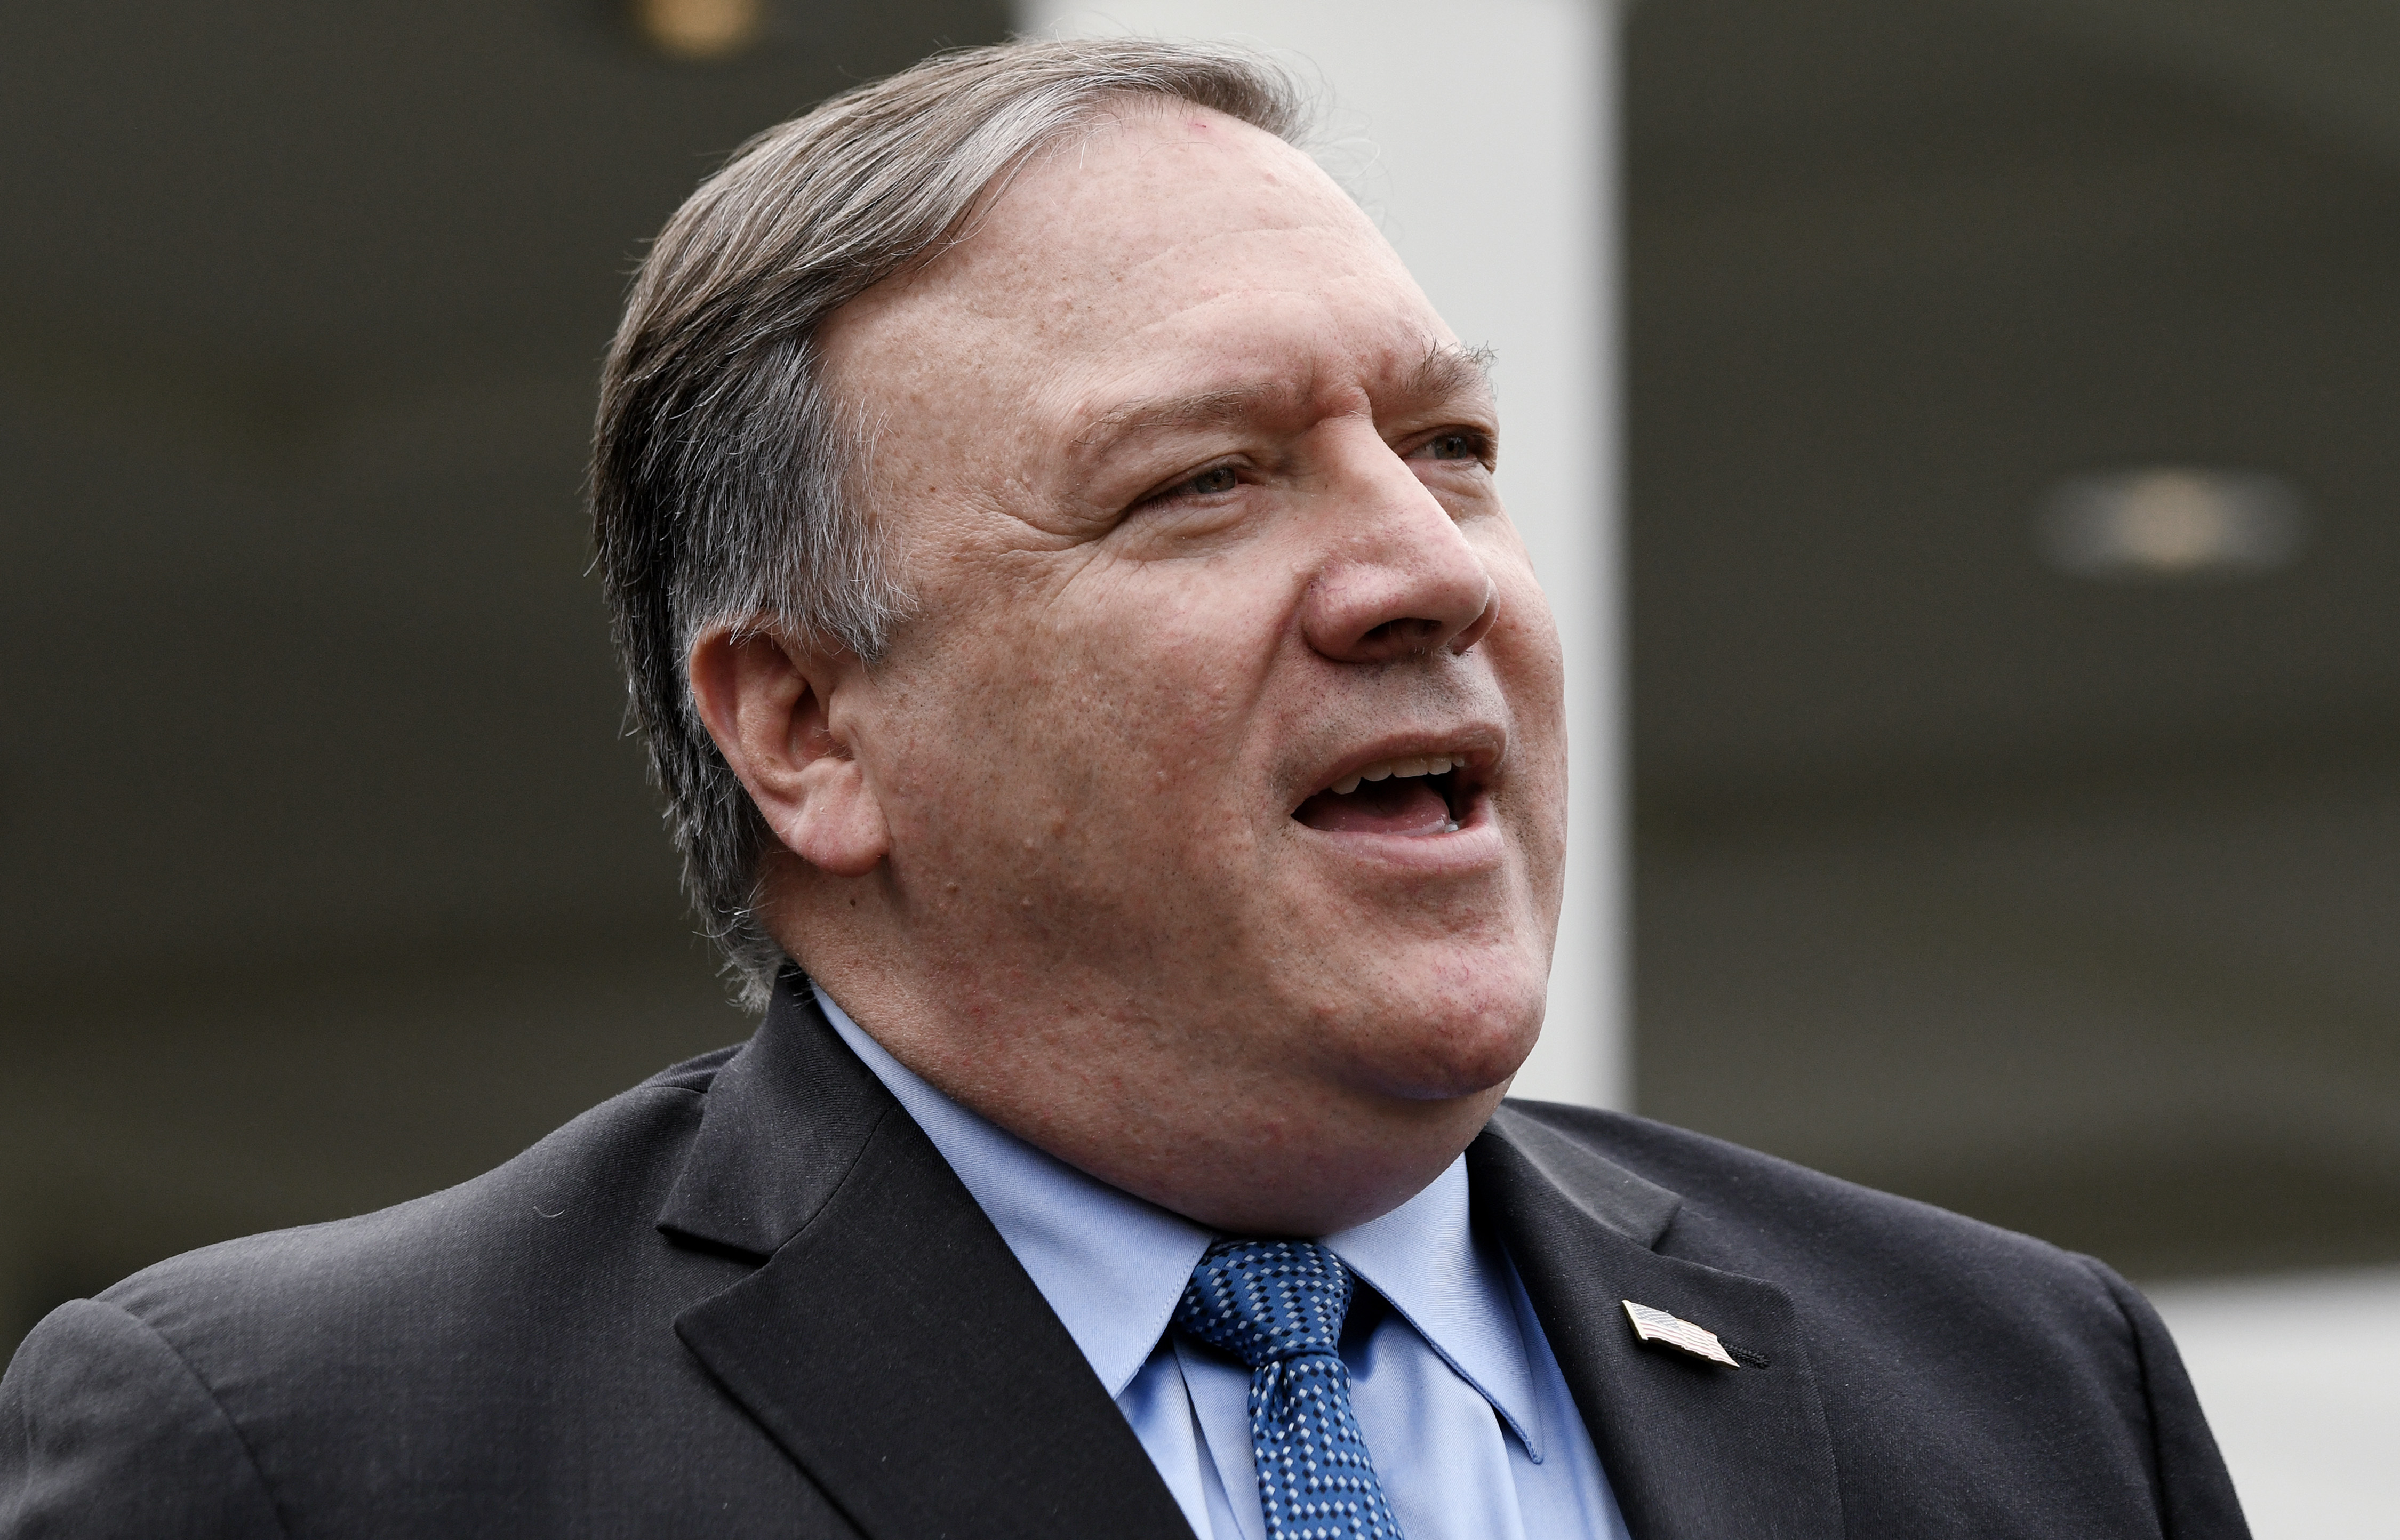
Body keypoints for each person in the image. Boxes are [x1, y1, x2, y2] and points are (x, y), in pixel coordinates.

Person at [0, 38, 2246, 1540]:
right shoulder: (315, 1455)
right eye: (1205, 482)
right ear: (803, 722)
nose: (1422, 567)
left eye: (1450, 445)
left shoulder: (2029, 1400)